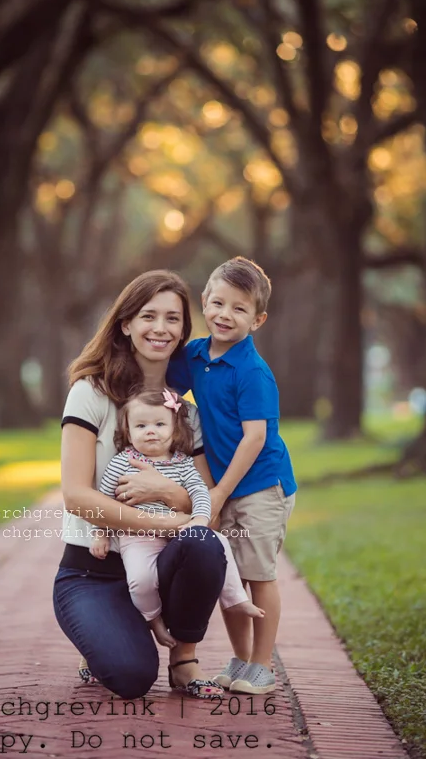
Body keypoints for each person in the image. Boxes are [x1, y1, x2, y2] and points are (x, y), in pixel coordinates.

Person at [53, 270, 228, 701]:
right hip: (92, 571)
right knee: (131, 677)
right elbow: (76, 496)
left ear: (184, 331)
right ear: (126, 324)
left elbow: (209, 505)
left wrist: (166, 492)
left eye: (173, 318)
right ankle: (101, 635)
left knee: (203, 545)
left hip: (158, 564)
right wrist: (169, 522)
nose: (161, 328)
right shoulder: (90, 392)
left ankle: (184, 659)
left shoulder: (186, 412)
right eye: (149, 316)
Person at [167, 256, 297, 696]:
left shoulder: (252, 371)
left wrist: (218, 493)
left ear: (257, 320)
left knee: (258, 575)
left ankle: (263, 665)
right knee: (230, 576)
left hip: (260, 486)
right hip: (223, 485)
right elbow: (165, 392)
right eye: (218, 303)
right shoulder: (194, 355)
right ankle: (241, 658)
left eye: (239, 309)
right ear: (204, 301)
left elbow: (255, 438)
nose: (225, 315)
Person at [90, 387, 264, 649]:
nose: (151, 431)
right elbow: (104, 499)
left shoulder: (182, 463)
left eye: (159, 424)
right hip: (138, 537)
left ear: (175, 429)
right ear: (128, 431)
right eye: (141, 426)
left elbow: (200, 492)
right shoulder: (121, 463)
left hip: (177, 534)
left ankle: (235, 598)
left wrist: (200, 519)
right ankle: (154, 618)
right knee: (140, 580)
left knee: (219, 542)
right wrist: (100, 533)